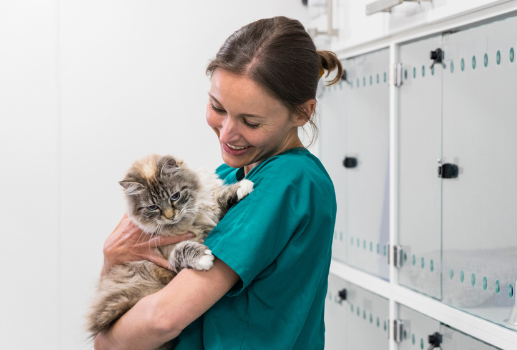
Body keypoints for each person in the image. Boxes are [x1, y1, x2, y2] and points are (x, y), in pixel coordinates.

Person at [94, 16, 343, 350]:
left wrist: (109, 338)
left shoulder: (289, 181)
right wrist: (113, 260)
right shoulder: (227, 177)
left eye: (250, 121)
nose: (227, 134)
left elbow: (159, 320)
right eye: (217, 107)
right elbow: (113, 320)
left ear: (301, 113)